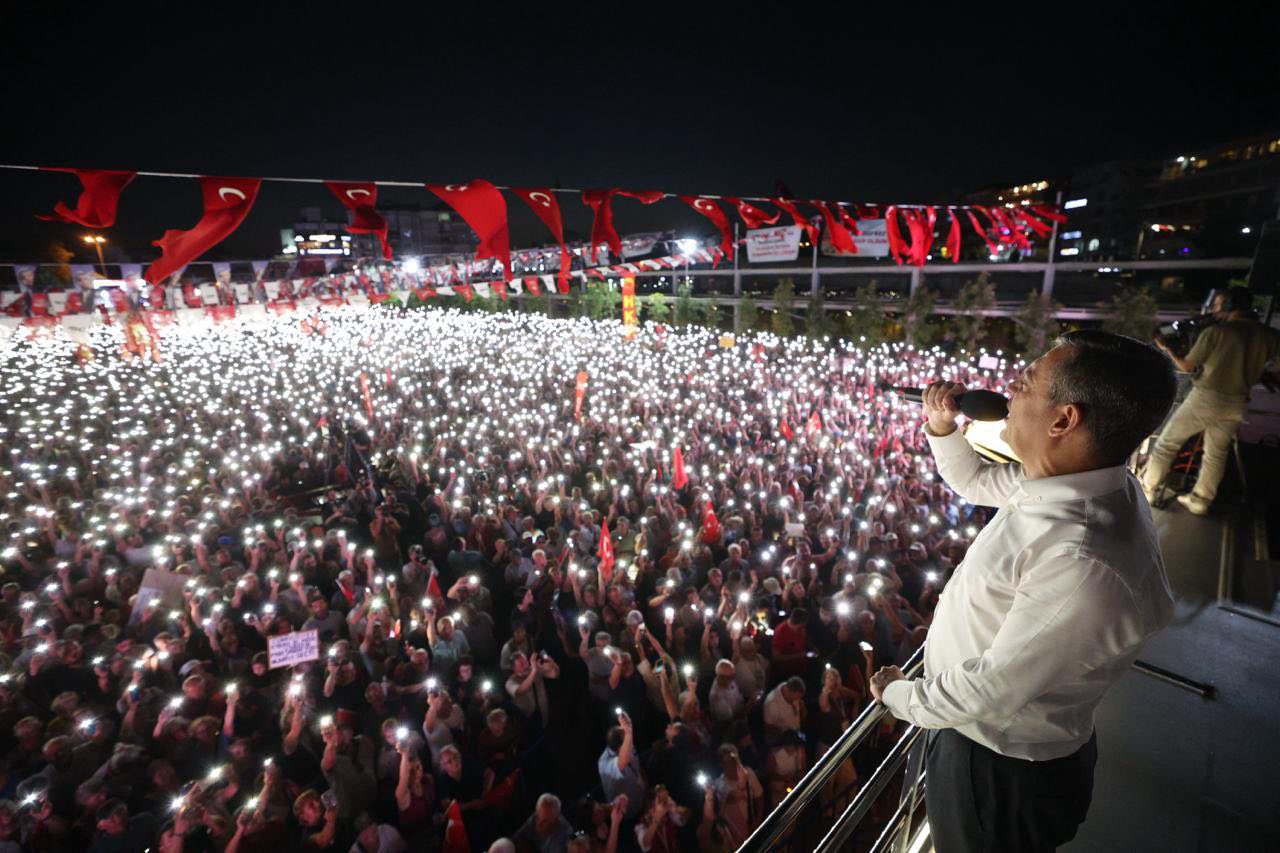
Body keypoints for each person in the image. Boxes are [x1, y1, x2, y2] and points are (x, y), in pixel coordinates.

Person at [871, 330, 1178, 852]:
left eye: (1025, 384)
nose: (1008, 392)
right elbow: (973, 483)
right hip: (989, 741)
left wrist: (899, 696)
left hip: (996, 767)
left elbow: (991, 690)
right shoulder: (1079, 480)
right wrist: (943, 428)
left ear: (1064, 420)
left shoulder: (1083, 559)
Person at [1145, 287, 1280, 514]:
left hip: (1206, 397)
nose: (1215, 309)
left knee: (1167, 444)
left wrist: (1166, 347)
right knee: (1216, 453)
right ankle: (1200, 501)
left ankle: (1147, 490)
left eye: (1218, 304)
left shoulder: (1218, 332)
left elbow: (1187, 366)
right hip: (1237, 402)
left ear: (1229, 305)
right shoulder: (1269, 335)